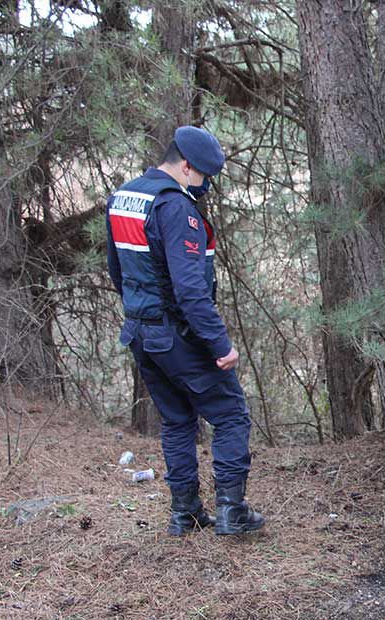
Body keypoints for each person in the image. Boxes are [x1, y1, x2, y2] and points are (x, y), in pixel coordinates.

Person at [106, 125, 264, 536]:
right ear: (186, 166)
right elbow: (191, 290)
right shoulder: (175, 208)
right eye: (204, 177)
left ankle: (185, 512)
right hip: (177, 333)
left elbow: (116, 271)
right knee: (230, 415)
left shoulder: (125, 196)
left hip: (141, 332)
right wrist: (219, 344)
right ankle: (232, 511)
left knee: (177, 421)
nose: (206, 186)